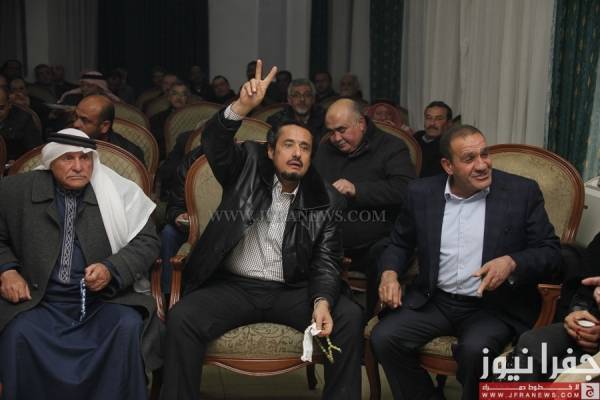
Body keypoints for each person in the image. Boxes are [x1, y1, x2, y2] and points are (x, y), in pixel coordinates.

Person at [161, 60, 363, 400]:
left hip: (292, 290)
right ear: (270, 151)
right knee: (183, 317)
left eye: (305, 148)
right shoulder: (247, 166)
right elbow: (214, 142)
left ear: (311, 158)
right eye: (288, 145)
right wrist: (241, 107)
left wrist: (322, 301)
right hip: (233, 286)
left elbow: (327, 260)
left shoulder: (326, 199)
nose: (296, 154)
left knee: (349, 316)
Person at [371, 124, 561, 400]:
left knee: (476, 352)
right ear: (448, 166)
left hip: (492, 305)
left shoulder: (521, 192)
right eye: (469, 158)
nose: (482, 165)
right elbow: (399, 242)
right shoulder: (422, 193)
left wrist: (512, 262)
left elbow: (551, 252)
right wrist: (389, 273)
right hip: (435, 300)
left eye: (485, 154)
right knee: (384, 338)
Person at [0, 128, 160, 399]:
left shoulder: (117, 193)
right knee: (18, 332)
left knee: (128, 326)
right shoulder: (15, 191)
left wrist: (112, 269)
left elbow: (148, 242)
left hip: (102, 302)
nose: (78, 166)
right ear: (51, 161)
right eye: (68, 158)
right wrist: (7, 270)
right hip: (39, 301)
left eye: (85, 158)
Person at [314, 98, 415, 315]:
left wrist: (357, 189)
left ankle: (374, 321)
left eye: (341, 130)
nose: (336, 138)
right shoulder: (325, 148)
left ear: (361, 123)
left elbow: (405, 189)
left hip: (375, 239)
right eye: (331, 132)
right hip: (330, 238)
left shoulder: (391, 147)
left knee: (384, 254)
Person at [511, 232, 600, 381]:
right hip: (590, 325)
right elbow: (583, 291)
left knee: (563, 373)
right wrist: (576, 316)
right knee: (531, 343)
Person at [72, 94, 145, 165]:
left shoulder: (129, 155)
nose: (75, 124)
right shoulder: (69, 136)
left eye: (85, 120)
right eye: (76, 116)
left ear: (105, 126)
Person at [266, 78, 325, 145]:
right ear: (289, 100)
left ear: (313, 99)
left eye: (307, 95)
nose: (302, 99)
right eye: (296, 95)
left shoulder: (324, 118)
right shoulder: (276, 120)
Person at [0, 86, 43, 161]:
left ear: (9, 104)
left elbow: (35, 152)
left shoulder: (24, 120)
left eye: (1, 108)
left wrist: (18, 162)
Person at [149, 81, 190, 159]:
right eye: (175, 93)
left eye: (183, 94)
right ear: (168, 97)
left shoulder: (194, 118)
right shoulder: (157, 119)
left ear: (187, 98)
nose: (179, 97)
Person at [414, 101, 453, 177]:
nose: (432, 123)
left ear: (449, 123)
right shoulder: (414, 138)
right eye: (428, 118)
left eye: (439, 119)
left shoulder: (449, 147)